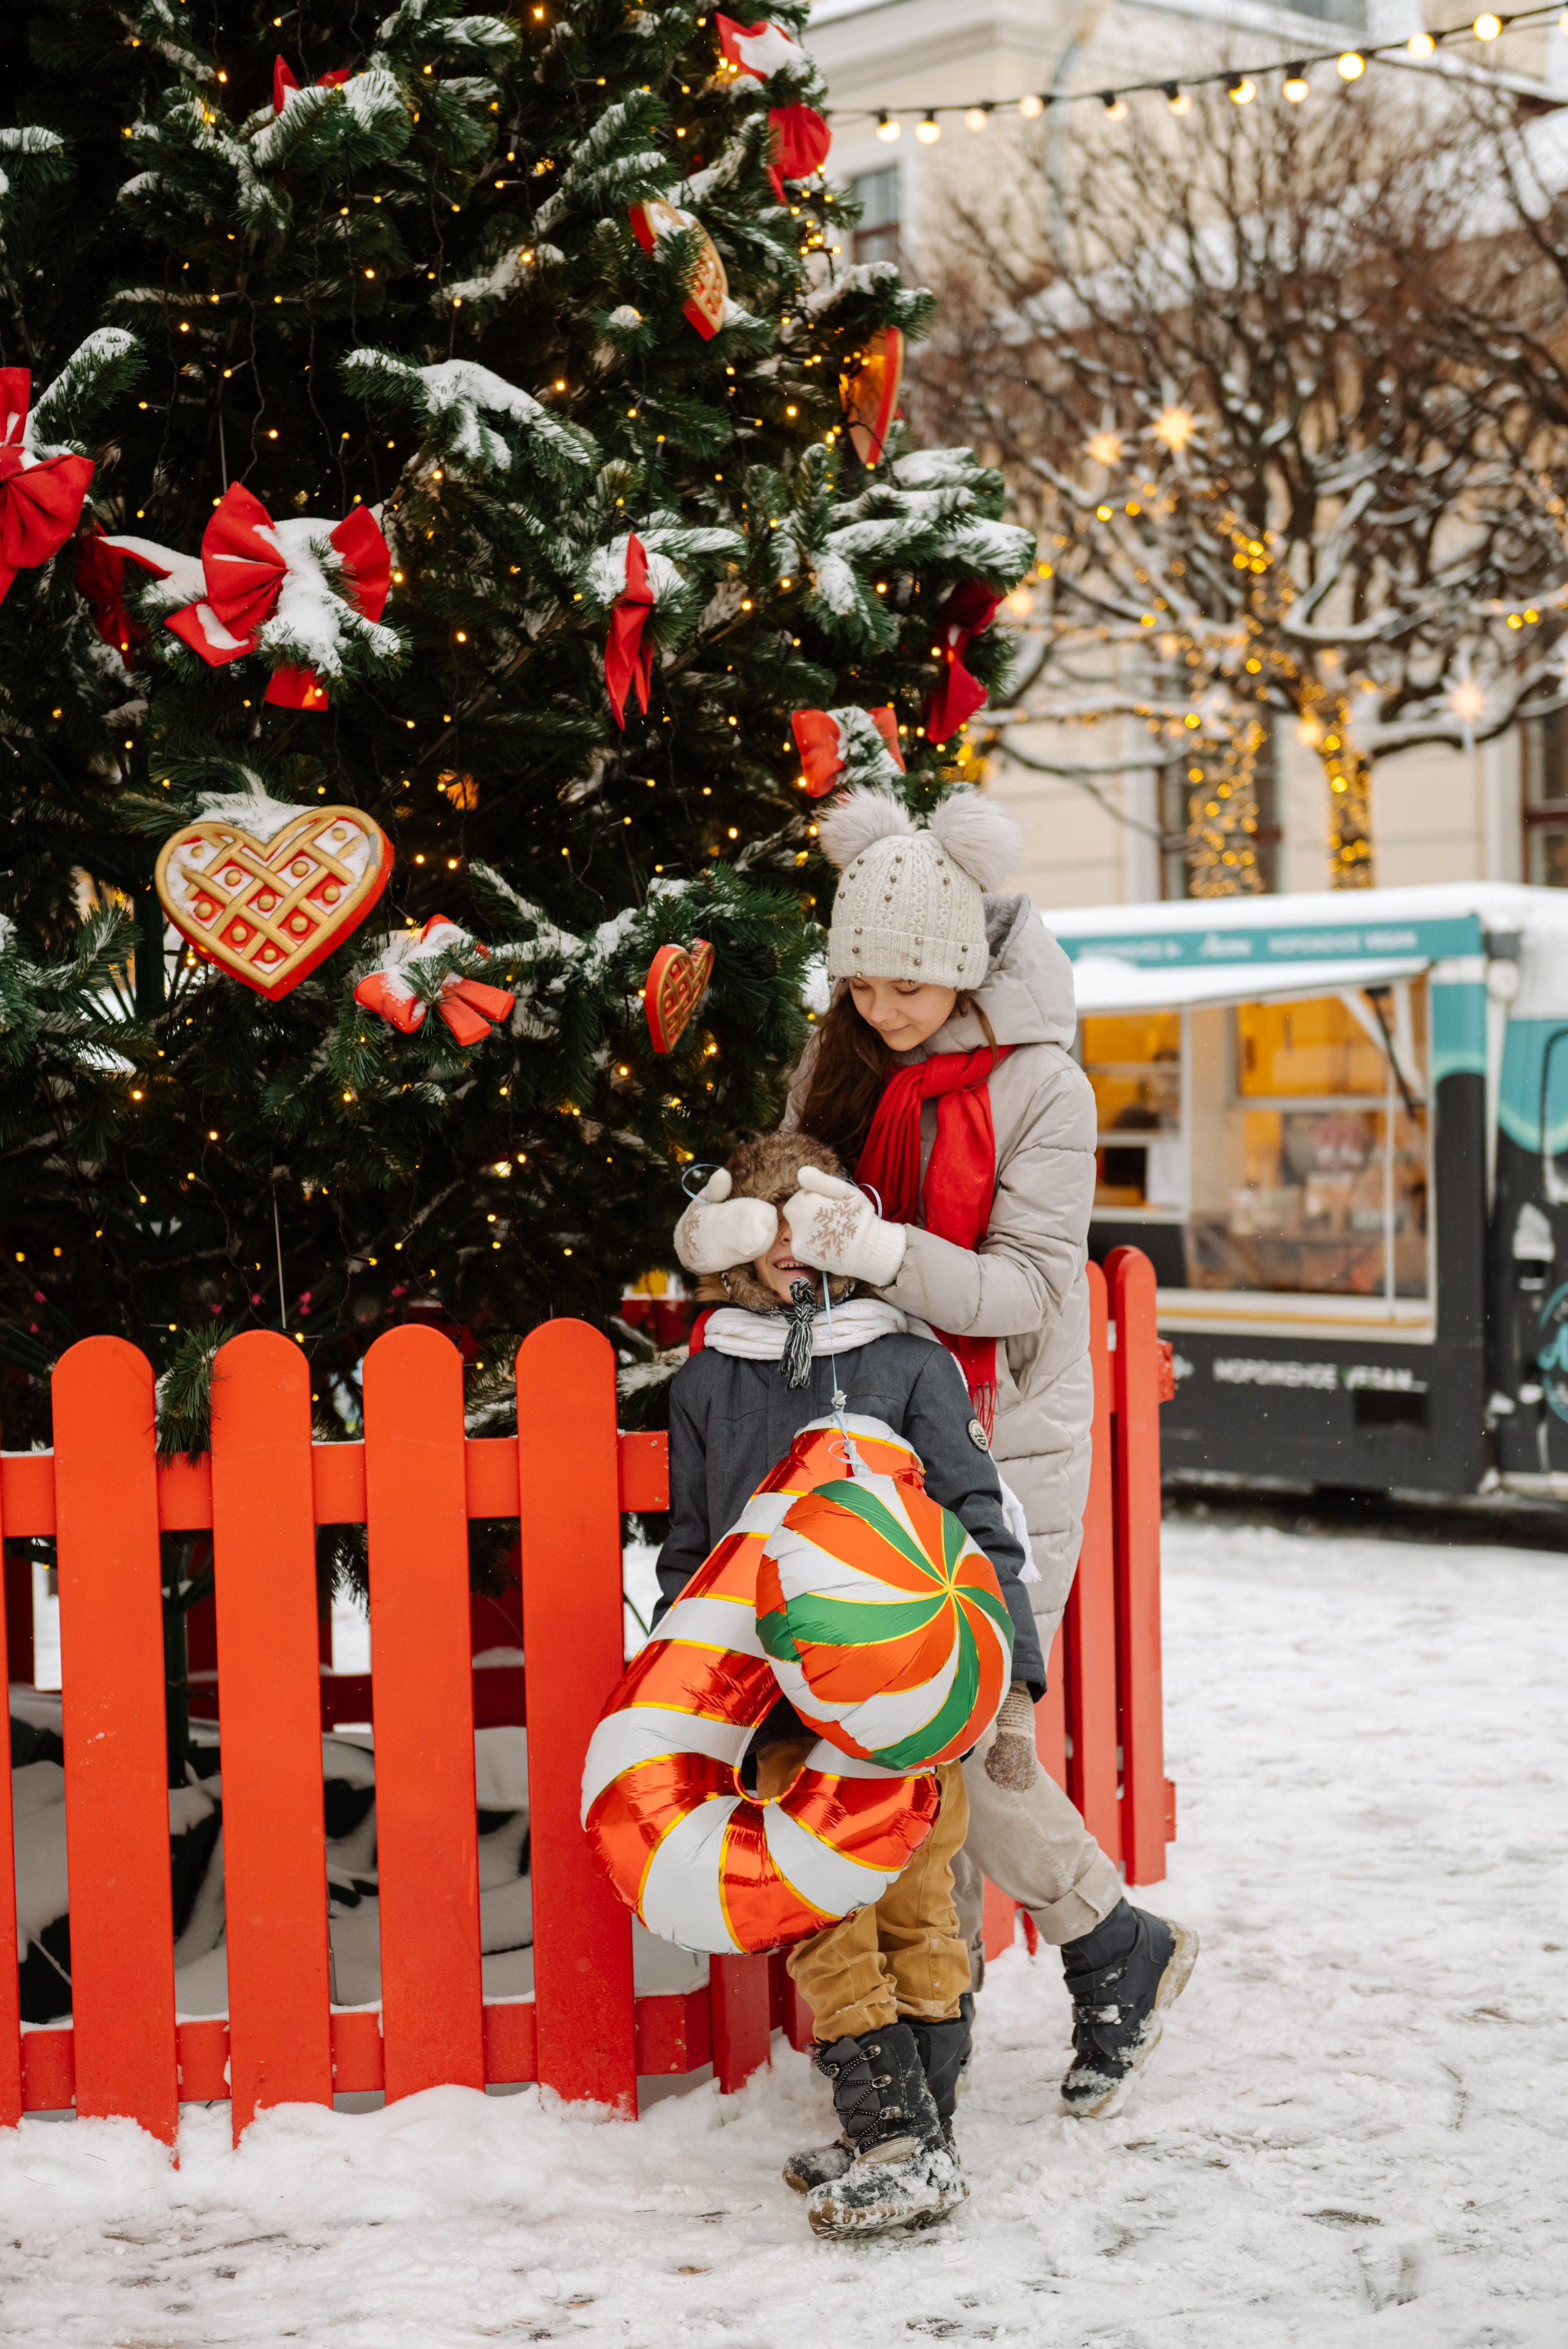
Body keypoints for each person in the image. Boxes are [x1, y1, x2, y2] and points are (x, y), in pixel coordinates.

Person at [676, 787, 1197, 2117]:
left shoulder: (1044, 1086)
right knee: (883, 1729)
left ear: (964, 965)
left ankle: (1087, 1948)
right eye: (859, 983)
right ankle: (996, 2014)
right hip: (864, 1420)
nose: (881, 1010)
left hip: (1001, 1434)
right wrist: (750, 1237)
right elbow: (786, 1198)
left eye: (906, 986)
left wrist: (881, 1252)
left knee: (961, 1726)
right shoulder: (838, 1055)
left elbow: (1031, 1291)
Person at [654, 1130, 1045, 2236]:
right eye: (765, 1220)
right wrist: (690, 1689)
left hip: (911, 1694)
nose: (790, 1243)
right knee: (825, 1905)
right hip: (781, 1702)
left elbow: (982, 1523)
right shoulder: (709, 1380)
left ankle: (921, 2135)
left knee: (920, 1900)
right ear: (731, 1237)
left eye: (810, 1216)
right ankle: (895, 2132)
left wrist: (1008, 1680)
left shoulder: (907, 1365)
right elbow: (691, 1550)